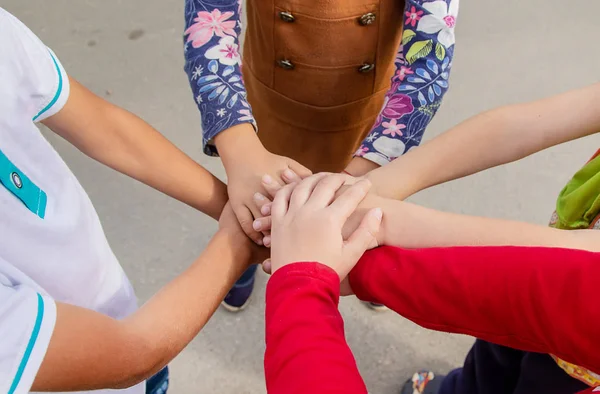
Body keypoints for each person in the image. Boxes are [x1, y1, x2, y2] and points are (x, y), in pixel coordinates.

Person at [257, 82, 600, 393]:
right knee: (494, 353)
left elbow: (572, 278)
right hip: (532, 283)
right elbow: (530, 123)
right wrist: (361, 194)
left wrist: (316, 269)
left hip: (583, 355)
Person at [0, 8, 264, 393]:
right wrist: (241, 239)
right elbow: (133, 353)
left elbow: (104, 129)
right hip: (111, 363)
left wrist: (231, 206)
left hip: (134, 317)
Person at [183, 0, 459, 311]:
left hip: (371, 113)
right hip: (273, 98)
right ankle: (252, 241)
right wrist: (239, 148)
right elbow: (208, 25)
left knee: (361, 204)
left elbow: (430, 59)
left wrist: (366, 175)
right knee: (260, 191)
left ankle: (369, 251)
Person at [261, 176, 600, 394]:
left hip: (578, 368)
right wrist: (364, 263)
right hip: (556, 313)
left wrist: (304, 282)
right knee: (493, 359)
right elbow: (550, 286)